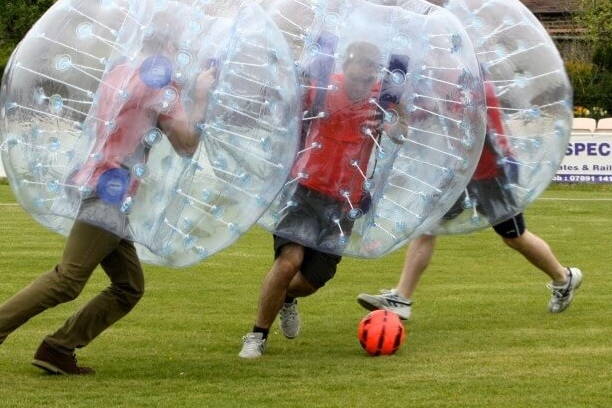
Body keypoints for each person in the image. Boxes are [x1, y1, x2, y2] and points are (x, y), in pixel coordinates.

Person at [0, 41, 215, 375]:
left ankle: (58, 348)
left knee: (129, 287)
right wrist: (201, 96)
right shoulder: (160, 83)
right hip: (111, 190)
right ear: (170, 44)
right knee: (68, 279)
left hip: (98, 180)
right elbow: (186, 143)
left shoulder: (119, 72)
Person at [357, 79, 582, 320]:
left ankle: (563, 278)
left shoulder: (479, 88)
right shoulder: (442, 84)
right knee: (427, 228)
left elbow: (482, 131)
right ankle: (401, 298)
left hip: (491, 173)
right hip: (458, 172)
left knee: (514, 237)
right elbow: (426, 122)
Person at [239, 41, 407, 359]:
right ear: (346, 65)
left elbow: (402, 131)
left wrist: (391, 123)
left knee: (309, 282)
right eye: (359, 69)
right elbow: (285, 111)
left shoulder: (383, 99)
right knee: (288, 262)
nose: (365, 77)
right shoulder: (323, 87)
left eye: (372, 70)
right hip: (306, 189)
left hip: (345, 202)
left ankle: (287, 298)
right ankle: (257, 335)